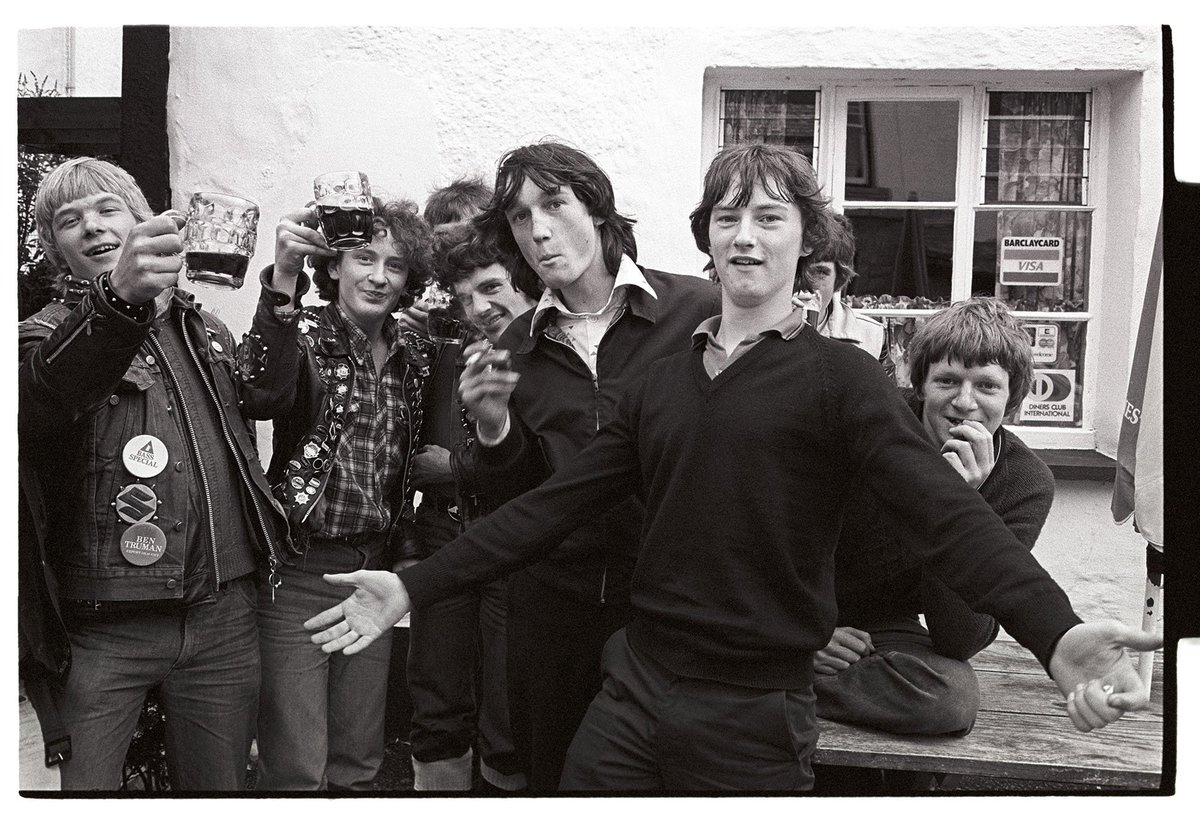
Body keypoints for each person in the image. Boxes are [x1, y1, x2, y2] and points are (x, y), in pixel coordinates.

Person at [303, 143, 1158, 792]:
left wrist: (1058, 633)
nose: (745, 238)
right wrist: (415, 586)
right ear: (705, 236)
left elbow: (952, 516)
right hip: (633, 692)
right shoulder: (664, 376)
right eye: (727, 218)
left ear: (806, 240)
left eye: (770, 218)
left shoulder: (842, 379)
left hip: (755, 716)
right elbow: (552, 505)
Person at [442, 141, 719, 792]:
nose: (537, 229)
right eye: (518, 217)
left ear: (596, 208)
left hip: (666, 613)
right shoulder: (515, 346)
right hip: (551, 622)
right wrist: (492, 428)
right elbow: (514, 503)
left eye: (553, 203)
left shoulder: (695, 312)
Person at [18, 156, 293, 790]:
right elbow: (42, 400)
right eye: (69, 220)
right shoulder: (41, 335)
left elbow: (270, 396)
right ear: (58, 253)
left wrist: (282, 284)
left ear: (144, 221)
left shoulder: (203, 328)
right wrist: (118, 302)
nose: (90, 226)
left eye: (107, 208)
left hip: (224, 614)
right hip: (102, 627)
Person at [811, 297, 1054, 791]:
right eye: (947, 381)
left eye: (986, 385)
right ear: (920, 384)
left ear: (1014, 400)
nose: (964, 402)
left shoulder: (1024, 481)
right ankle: (774, 666)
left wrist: (964, 503)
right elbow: (774, 538)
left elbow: (961, 638)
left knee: (951, 698)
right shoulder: (867, 428)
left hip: (888, 632)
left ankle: (765, 678)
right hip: (800, 606)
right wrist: (804, 634)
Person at [236, 194, 435, 790]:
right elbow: (260, 396)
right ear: (334, 266)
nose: (378, 276)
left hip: (370, 574)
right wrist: (283, 277)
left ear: (408, 281)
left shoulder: (417, 353)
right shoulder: (299, 331)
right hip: (297, 569)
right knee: (295, 764)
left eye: (395, 266)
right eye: (364, 258)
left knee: (357, 758)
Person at [401, 218, 535, 790]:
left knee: (510, 704)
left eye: (491, 289)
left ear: (523, 280)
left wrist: (455, 469)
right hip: (445, 534)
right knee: (437, 696)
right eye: (464, 296)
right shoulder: (443, 348)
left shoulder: (551, 350)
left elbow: (547, 465)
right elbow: (403, 443)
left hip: (516, 544)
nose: (477, 307)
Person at [796, 212, 893, 376]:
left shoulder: (870, 336)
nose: (806, 283)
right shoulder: (753, 329)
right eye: (797, 270)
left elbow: (885, 401)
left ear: (838, 279)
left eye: (820, 272)